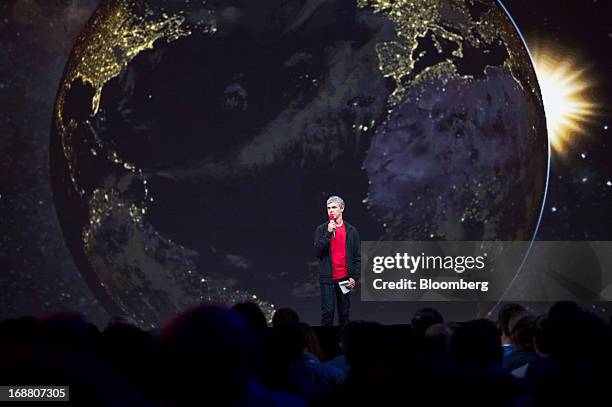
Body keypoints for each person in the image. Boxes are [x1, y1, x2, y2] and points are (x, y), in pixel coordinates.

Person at [313, 196, 360, 326]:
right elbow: (317, 252)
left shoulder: (351, 231)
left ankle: (344, 344)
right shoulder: (321, 229)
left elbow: (357, 257)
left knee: (344, 315)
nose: (331, 211)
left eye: (334, 207)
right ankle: (326, 343)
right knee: (328, 313)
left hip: (344, 278)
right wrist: (328, 234)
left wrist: (354, 277)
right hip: (328, 279)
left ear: (342, 209)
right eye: (328, 208)